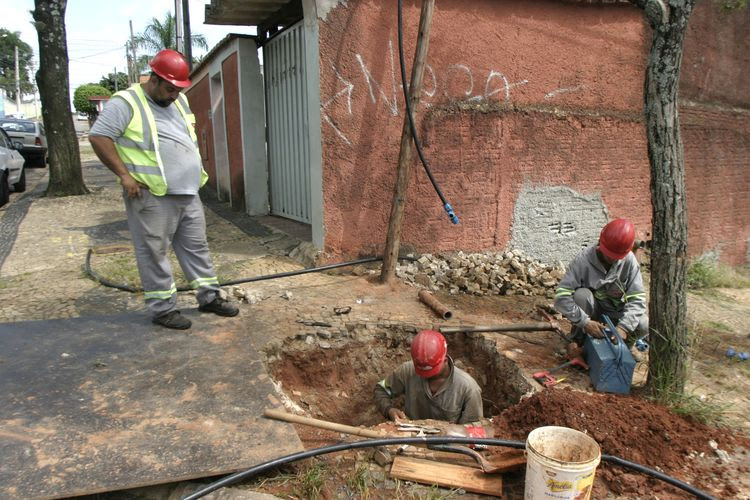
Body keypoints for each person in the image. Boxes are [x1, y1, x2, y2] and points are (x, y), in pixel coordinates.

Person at [89, 49, 238, 330]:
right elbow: (99, 136)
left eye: (178, 90)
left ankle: (209, 297)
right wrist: (124, 175)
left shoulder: (178, 103)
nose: (174, 95)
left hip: (188, 191)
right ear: (154, 80)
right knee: (154, 251)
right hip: (152, 195)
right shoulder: (127, 102)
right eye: (170, 89)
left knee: (197, 248)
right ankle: (163, 308)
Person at [554, 218, 648, 355]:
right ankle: (577, 342)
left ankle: (623, 348)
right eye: (610, 255)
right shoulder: (583, 261)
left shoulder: (629, 261)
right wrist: (585, 322)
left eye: (618, 256)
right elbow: (561, 297)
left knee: (644, 323)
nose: (614, 259)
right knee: (582, 295)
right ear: (600, 243)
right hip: (592, 314)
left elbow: (637, 299)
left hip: (616, 314)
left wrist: (624, 327)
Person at [374, 330, 483, 424]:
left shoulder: (468, 389)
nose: (425, 375)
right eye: (421, 371)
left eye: (430, 371)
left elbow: (473, 430)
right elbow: (381, 389)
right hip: (409, 441)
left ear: (444, 360)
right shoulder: (407, 371)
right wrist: (389, 410)